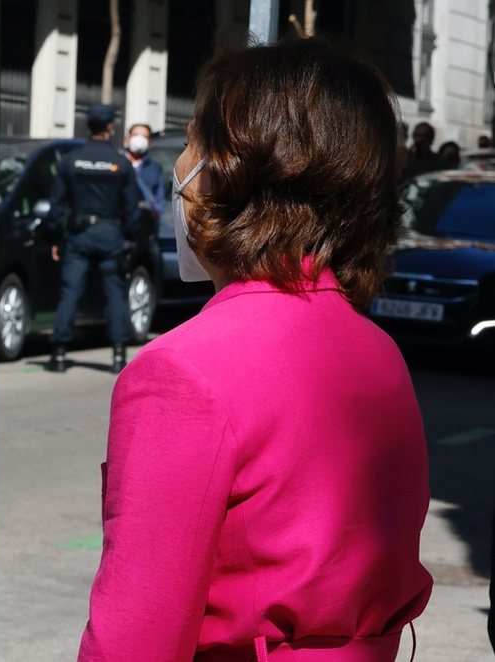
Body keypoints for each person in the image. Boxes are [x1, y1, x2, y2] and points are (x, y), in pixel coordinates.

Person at [79, 38, 432, 661]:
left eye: (190, 139)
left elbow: (136, 635)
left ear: (229, 169)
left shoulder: (183, 371)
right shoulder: (378, 350)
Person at [46, 103, 140, 374]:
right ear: (110, 127)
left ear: (89, 126)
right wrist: (130, 239)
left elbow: (57, 205)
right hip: (110, 234)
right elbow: (131, 207)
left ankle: (59, 354)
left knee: (70, 292)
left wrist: (56, 236)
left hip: (79, 235)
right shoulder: (120, 163)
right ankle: (119, 355)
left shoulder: (71, 160)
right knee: (114, 293)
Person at [123, 122, 164, 219]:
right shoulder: (117, 162)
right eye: (136, 135)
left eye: (144, 137)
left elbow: (159, 198)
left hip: (143, 222)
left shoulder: (154, 168)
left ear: (149, 142)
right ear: (127, 138)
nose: (140, 139)